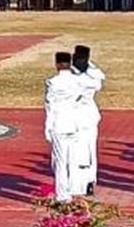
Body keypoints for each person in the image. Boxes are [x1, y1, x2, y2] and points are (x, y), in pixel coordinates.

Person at [45, 52, 85, 202]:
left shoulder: (52, 82)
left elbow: (50, 106)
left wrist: (48, 126)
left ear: (57, 64)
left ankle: (62, 195)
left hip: (59, 123)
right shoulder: (77, 82)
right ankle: (73, 189)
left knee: (60, 162)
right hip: (74, 123)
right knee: (72, 160)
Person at [72, 45, 105, 197]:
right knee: (90, 149)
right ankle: (90, 181)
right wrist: (88, 65)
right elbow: (98, 77)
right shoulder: (93, 77)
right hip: (90, 115)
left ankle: (78, 183)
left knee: (77, 151)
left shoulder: (73, 78)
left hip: (76, 116)